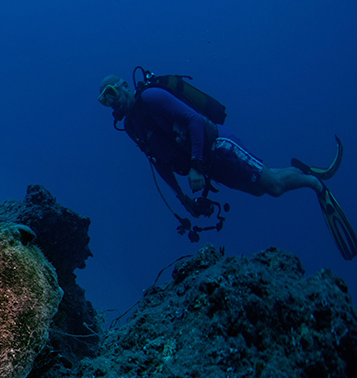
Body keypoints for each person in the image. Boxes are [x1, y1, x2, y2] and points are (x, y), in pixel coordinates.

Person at [98, 72, 356, 259]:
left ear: (124, 85)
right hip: (209, 165)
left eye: (112, 92)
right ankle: (302, 170)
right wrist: (181, 197)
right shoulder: (132, 127)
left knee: (274, 186)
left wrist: (196, 166)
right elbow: (158, 162)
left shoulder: (152, 97)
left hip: (219, 147)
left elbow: (194, 120)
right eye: (105, 100)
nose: (111, 101)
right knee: (260, 188)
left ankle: (315, 184)